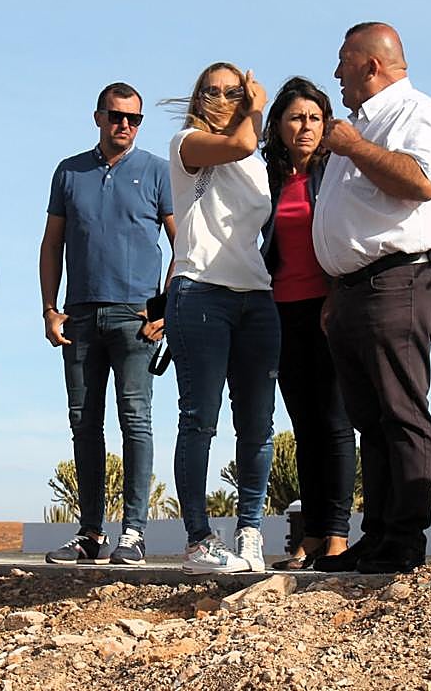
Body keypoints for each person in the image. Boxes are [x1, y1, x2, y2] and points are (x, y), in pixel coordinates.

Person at [312, 23, 431, 574]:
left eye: (343, 62)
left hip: (400, 280)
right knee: (369, 419)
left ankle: (404, 539)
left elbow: (420, 183)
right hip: (355, 291)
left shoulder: (420, 116)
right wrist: (336, 288)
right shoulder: (358, 127)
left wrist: (354, 147)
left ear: (371, 64)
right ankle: (376, 537)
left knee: (400, 411)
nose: (336, 75)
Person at [39, 82, 175, 566]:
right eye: (116, 116)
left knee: (135, 420)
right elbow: (52, 243)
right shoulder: (69, 171)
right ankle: (90, 533)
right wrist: (50, 309)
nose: (124, 125)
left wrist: (165, 309)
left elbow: (184, 246)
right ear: (98, 117)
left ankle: (134, 533)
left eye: (134, 119)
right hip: (78, 317)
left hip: (135, 318)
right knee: (84, 424)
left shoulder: (158, 171)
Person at [164, 62, 279, 575]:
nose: (221, 97)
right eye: (210, 89)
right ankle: (197, 542)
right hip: (200, 292)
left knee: (257, 425)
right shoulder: (188, 143)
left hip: (256, 296)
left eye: (233, 91)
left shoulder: (260, 161)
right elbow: (238, 145)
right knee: (199, 420)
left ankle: (250, 531)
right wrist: (256, 106)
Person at [259, 76, 356, 570]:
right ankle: (312, 534)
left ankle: (337, 534)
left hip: (329, 305)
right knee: (304, 427)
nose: (306, 126)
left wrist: (337, 294)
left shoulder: (337, 171)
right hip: (281, 309)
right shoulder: (267, 176)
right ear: (277, 125)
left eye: (316, 118)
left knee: (336, 423)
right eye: (297, 117)